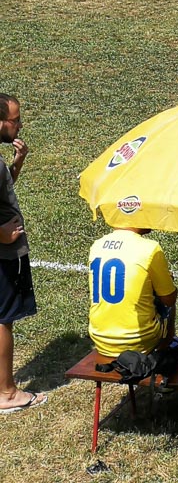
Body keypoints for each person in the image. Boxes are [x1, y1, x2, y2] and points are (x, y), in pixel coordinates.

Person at [0, 94, 46, 413]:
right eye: (15, 120)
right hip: (4, 254)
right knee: (3, 319)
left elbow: (3, 191)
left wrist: (17, 163)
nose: (19, 125)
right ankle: (6, 393)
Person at [88, 227, 177, 357]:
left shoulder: (97, 245)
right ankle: (163, 349)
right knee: (168, 301)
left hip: (99, 337)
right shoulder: (150, 248)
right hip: (140, 341)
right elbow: (169, 299)